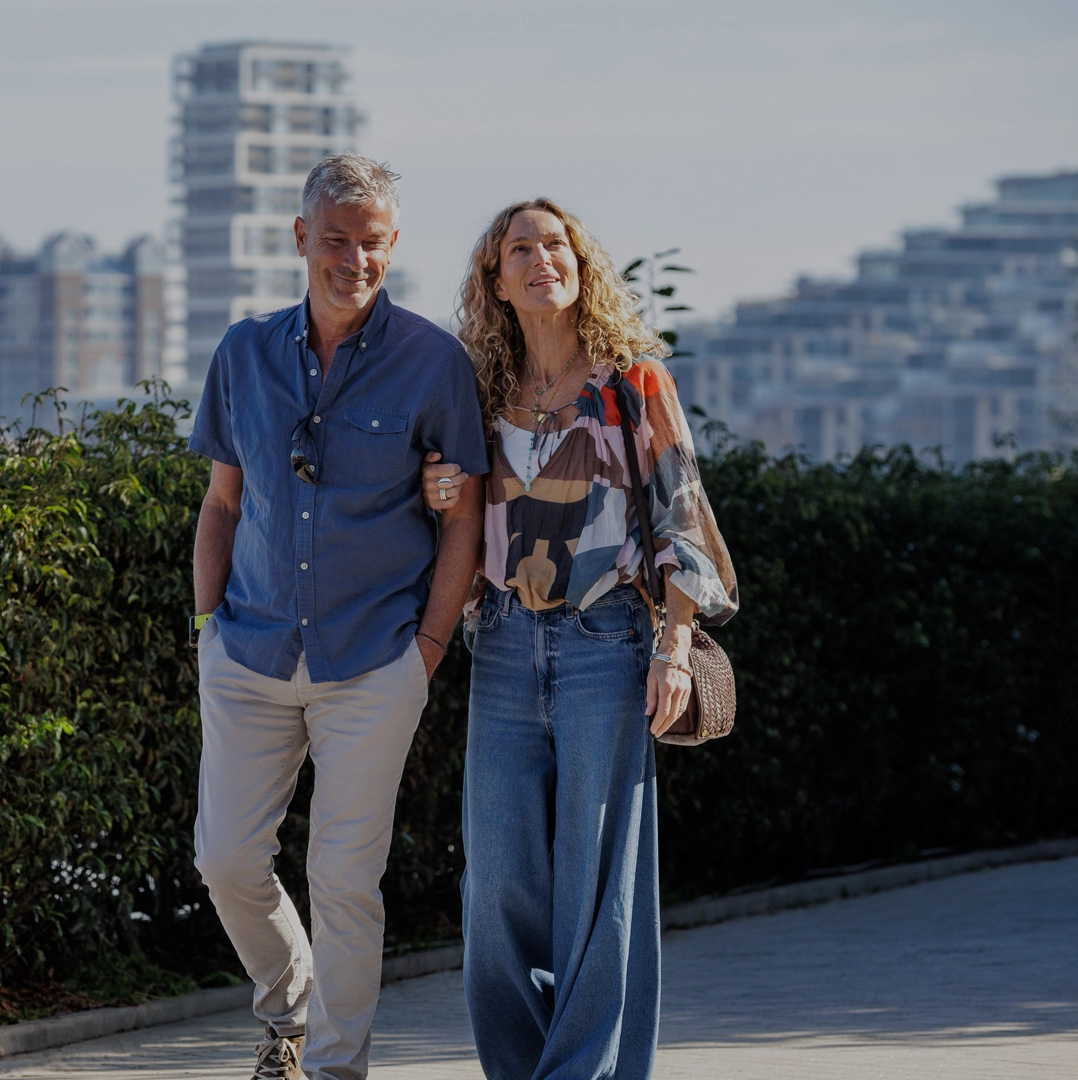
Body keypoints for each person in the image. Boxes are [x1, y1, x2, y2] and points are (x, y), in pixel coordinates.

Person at [188, 154, 488, 1080]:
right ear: (300, 239)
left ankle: (332, 1068)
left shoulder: (434, 362)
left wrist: (427, 649)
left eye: (372, 243)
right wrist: (206, 630)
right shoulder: (243, 352)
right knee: (225, 860)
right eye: (335, 241)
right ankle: (290, 1010)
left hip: (374, 662)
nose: (354, 260)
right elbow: (222, 504)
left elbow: (465, 517)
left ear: (393, 247)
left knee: (345, 879)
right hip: (248, 650)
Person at [423, 199, 738, 1079]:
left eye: (555, 244)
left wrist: (674, 650)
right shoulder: (479, 394)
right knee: (496, 888)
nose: (541, 259)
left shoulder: (633, 383)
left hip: (608, 643)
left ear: (581, 264)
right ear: (496, 281)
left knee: (599, 891)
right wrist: (438, 489)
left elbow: (683, 522)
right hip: (502, 647)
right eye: (520, 248)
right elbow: (451, 520)